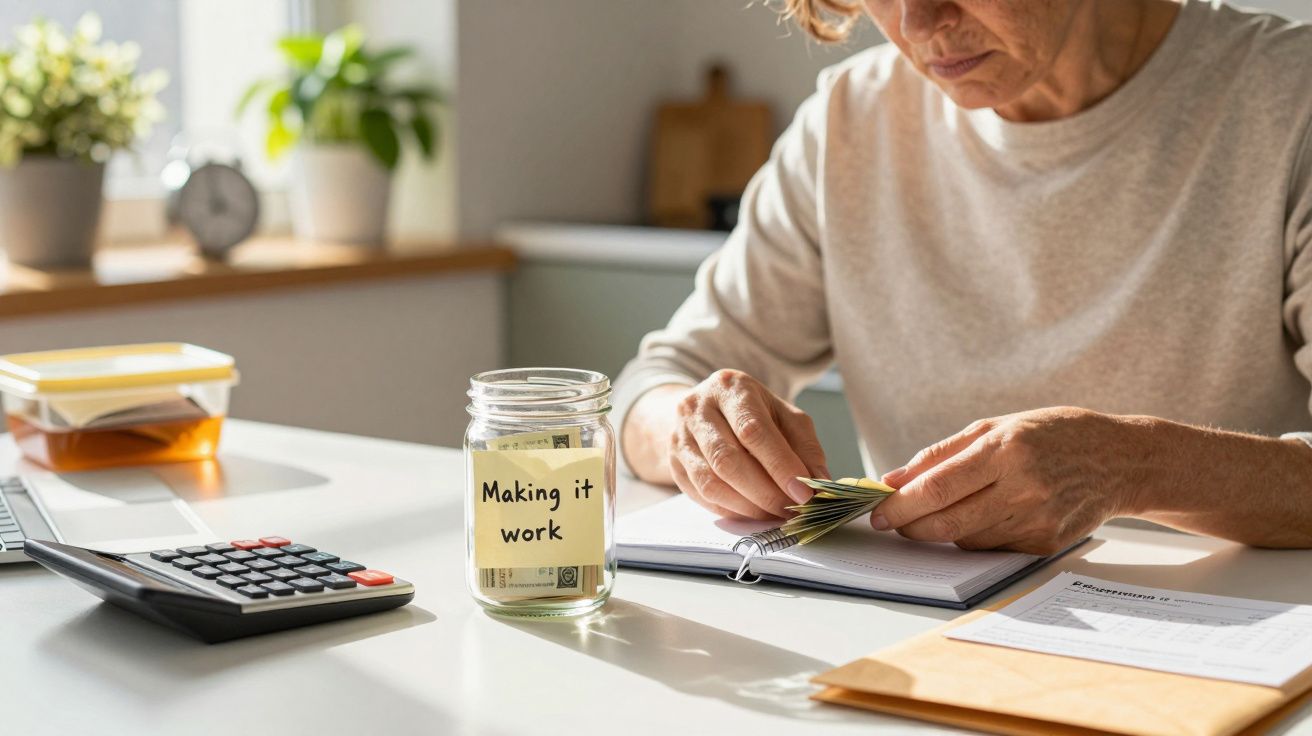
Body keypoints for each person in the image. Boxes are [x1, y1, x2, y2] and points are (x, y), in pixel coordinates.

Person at [613, 0, 1312, 552]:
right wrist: (692, 426)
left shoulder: (1289, 101)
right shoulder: (847, 123)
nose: (916, 26)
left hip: (1223, 656)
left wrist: (1132, 467)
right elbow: (651, 386)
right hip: (917, 647)